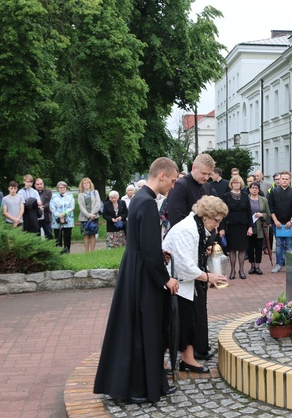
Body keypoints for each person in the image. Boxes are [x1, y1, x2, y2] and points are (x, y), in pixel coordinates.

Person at [94, 157, 180, 404]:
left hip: (134, 269)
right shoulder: (147, 203)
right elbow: (149, 253)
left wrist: (157, 253)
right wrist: (167, 280)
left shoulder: (140, 200)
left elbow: (144, 244)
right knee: (146, 330)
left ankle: (141, 384)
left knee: (133, 329)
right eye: (172, 181)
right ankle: (140, 387)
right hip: (143, 275)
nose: (172, 186)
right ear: (161, 175)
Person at [162, 195, 228, 373]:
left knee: (190, 321)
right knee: (172, 323)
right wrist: (209, 277)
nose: (217, 225)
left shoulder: (198, 227)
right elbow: (184, 265)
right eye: (216, 220)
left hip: (186, 283)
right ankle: (161, 362)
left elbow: (193, 259)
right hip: (174, 282)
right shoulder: (188, 229)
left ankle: (188, 359)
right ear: (205, 215)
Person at [165, 153, 215, 361]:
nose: (206, 177)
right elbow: (177, 219)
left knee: (200, 299)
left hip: (199, 247)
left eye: (209, 175)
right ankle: (189, 350)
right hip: (185, 249)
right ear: (193, 167)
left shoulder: (204, 187)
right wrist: (199, 240)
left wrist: (208, 243)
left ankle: (200, 346)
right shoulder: (180, 187)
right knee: (190, 302)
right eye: (203, 173)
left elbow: (208, 217)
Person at [219, 175, 253, 280]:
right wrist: (222, 228)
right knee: (232, 249)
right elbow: (223, 213)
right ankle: (232, 270)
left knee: (242, 249)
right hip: (231, 225)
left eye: (238, 182)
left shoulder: (245, 195)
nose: (236, 184)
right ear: (231, 184)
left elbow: (249, 212)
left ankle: (241, 270)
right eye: (234, 182)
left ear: (241, 184)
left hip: (243, 225)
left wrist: (250, 227)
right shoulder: (226, 196)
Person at [267, 170, 292, 273]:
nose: (284, 181)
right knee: (279, 244)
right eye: (282, 179)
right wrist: (275, 221)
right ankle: (279, 264)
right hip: (278, 223)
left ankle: (290, 265)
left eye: (286, 179)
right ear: (279, 180)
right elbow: (270, 208)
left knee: (289, 245)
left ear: (289, 180)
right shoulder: (274, 192)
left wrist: (291, 221)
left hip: (289, 223)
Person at [247, 182, 270, 275]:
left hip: (260, 227)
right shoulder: (246, 199)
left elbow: (268, 213)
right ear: (249, 189)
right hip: (249, 227)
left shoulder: (264, 200)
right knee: (250, 247)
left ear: (259, 189)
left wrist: (262, 214)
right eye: (253, 188)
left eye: (256, 188)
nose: (254, 189)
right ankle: (252, 266)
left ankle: (257, 266)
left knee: (259, 247)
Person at [50, 181, 75, 253]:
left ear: (66, 188)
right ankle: (59, 251)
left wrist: (64, 213)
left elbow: (72, 206)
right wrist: (59, 215)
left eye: (64, 187)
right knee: (58, 237)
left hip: (68, 219)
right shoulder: (54, 196)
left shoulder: (70, 196)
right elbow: (52, 207)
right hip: (57, 219)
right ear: (58, 188)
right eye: (60, 187)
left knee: (67, 236)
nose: (62, 189)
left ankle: (67, 250)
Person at [78, 177, 101, 253]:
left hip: (94, 217)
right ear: (82, 185)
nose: (86, 184)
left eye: (88, 183)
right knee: (86, 235)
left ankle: (92, 251)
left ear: (90, 184)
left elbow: (98, 204)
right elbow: (81, 207)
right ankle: (87, 252)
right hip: (84, 217)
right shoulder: (80, 195)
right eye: (84, 183)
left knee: (93, 234)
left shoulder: (95, 192)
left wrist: (92, 214)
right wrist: (88, 215)